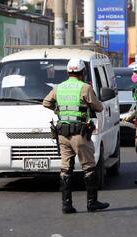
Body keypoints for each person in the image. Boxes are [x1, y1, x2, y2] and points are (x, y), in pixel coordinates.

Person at [43, 58, 110, 214]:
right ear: (82, 73)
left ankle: (66, 205)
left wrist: (59, 110)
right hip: (79, 133)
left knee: (66, 168)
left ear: (68, 72)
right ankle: (92, 203)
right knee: (89, 166)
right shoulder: (85, 87)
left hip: (62, 135)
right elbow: (98, 107)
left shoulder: (58, 87)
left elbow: (46, 102)